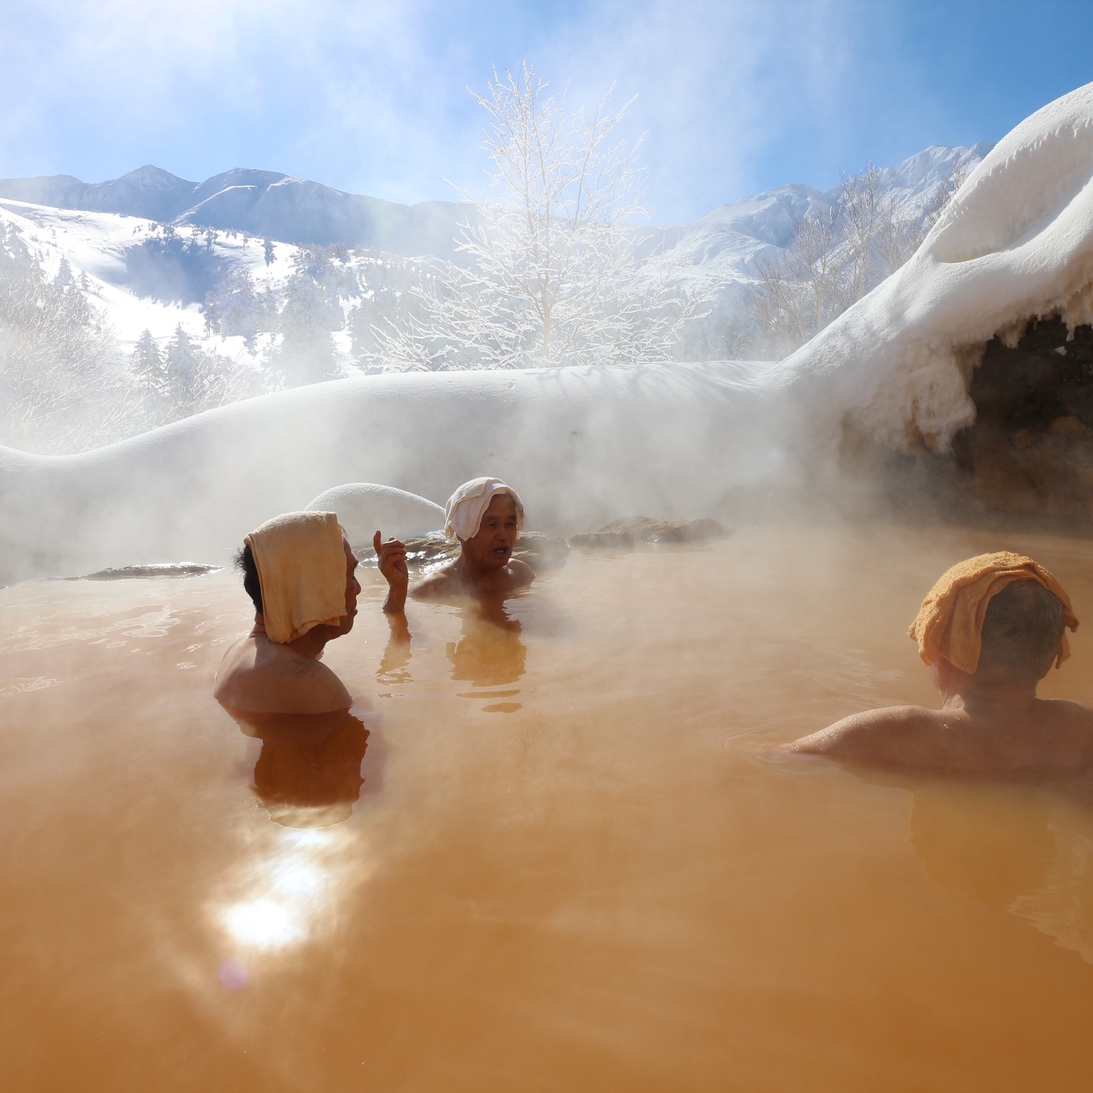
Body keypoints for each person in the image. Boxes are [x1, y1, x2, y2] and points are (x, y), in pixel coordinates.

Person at [785, 551, 1093, 771]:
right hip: (1035, 861)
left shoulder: (890, 732)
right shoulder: (1082, 730)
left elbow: (776, 761)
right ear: (1051, 652)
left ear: (942, 649)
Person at [214, 511, 361, 714]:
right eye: (349, 575)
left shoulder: (238, 651)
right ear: (312, 585)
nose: (358, 588)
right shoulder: (311, 684)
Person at [374, 477, 533, 613]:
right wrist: (396, 590)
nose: (504, 535)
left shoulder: (520, 574)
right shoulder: (435, 588)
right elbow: (397, 626)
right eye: (492, 525)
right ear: (462, 530)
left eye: (510, 524)